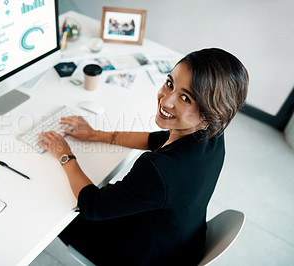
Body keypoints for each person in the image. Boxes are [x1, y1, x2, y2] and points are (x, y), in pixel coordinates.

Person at [38, 48, 249, 265]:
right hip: (180, 243)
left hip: (142, 255)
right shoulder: (212, 134)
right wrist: (96, 134)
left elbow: (92, 206)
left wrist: (65, 154)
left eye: (185, 98)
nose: (166, 101)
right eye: (170, 83)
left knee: (52, 209)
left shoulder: (158, 170)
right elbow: (155, 139)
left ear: (210, 114)